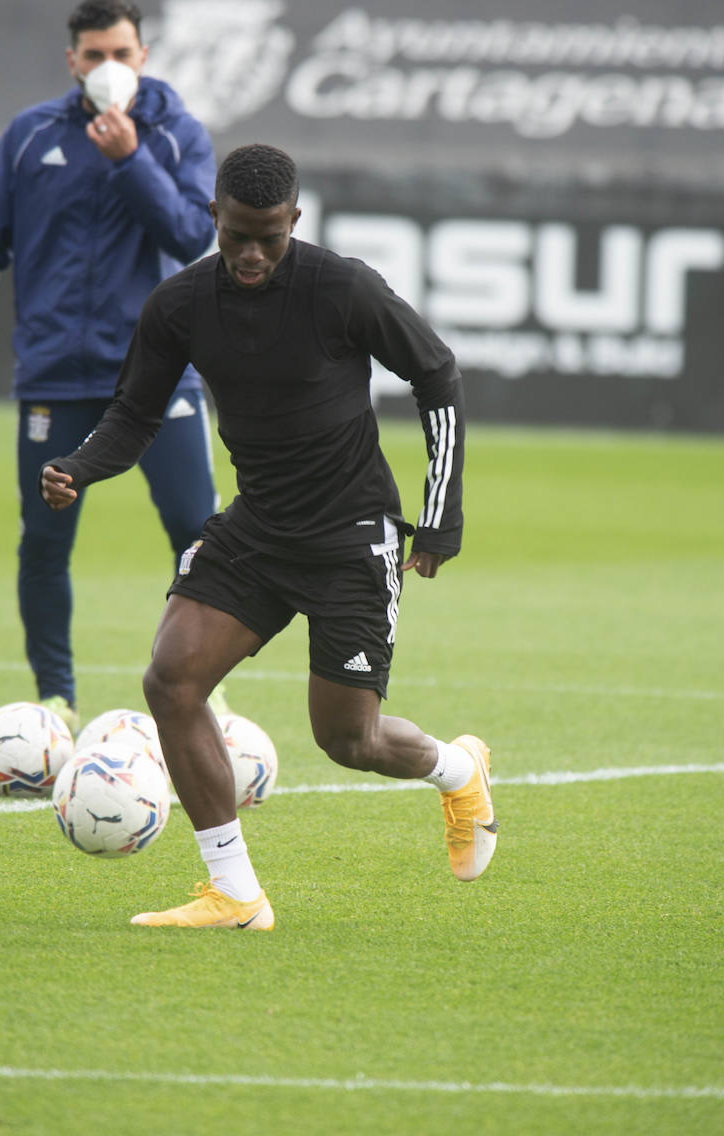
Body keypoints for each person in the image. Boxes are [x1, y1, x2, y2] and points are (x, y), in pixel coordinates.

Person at [41, 144, 497, 929]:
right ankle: (235, 893)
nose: (251, 254)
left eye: (269, 237)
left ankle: (457, 769)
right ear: (213, 216)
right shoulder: (180, 305)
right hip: (255, 530)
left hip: (350, 536)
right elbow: (135, 414)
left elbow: (436, 374)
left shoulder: (341, 287)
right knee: (171, 682)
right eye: (236, 236)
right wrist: (79, 467)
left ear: (294, 219)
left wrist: (440, 515)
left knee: (348, 741)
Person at [0, 0, 222, 733]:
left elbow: (190, 237)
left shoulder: (176, 134)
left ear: (144, 56)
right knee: (45, 542)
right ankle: (56, 700)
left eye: (121, 53)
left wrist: (131, 159)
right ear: (71, 61)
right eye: (94, 55)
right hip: (56, 375)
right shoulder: (31, 136)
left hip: (158, 376)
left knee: (199, 537)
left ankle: (203, 687)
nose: (109, 66)